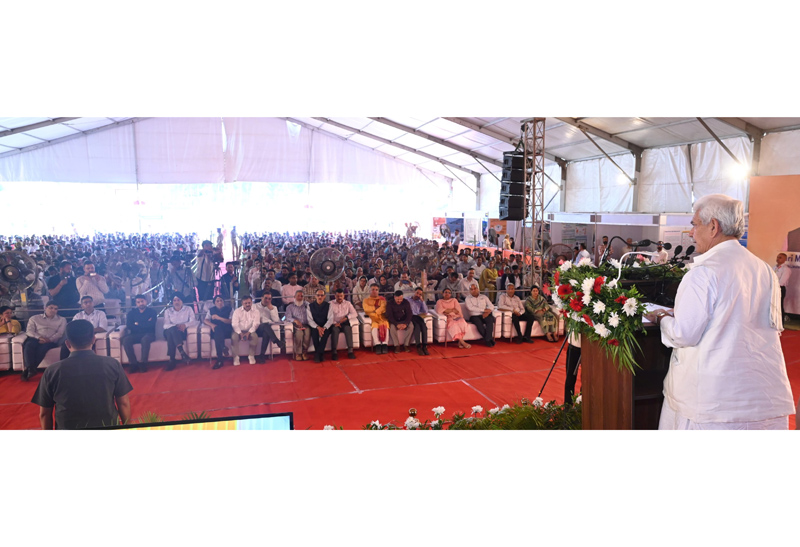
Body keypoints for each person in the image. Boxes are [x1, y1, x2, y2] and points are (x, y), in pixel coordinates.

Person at [644, 194, 795, 430]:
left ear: (713, 226)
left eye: (695, 225)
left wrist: (662, 317)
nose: (691, 233)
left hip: (712, 400)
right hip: (761, 394)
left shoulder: (704, 271)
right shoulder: (763, 268)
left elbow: (683, 334)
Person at [31, 320, 133, 429]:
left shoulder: (52, 371)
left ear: (67, 343)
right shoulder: (112, 364)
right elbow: (123, 403)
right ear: (93, 340)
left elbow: (45, 414)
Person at [21, 301, 67, 382]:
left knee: (42, 348)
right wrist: (39, 337)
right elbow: (29, 331)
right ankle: (31, 369)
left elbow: (60, 333)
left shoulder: (62, 320)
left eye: (55, 309)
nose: (53, 310)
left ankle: (28, 370)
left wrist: (49, 340)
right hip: (35, 338)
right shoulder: (34, 318)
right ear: (45, 308)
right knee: (29, 345)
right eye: (51, 308)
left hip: (51, 341)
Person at [122, 294, 157, 373]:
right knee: (126, 340)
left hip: (149, 334)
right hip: (135, 334)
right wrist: (145, 323)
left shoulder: (152, 312)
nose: (141, 303)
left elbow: (151, 325)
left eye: (142, 301)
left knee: (145, 340)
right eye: (138, 302)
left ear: (146, 301)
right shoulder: (131, 313)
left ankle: (144, 363)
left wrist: (137, 323)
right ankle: (133, 363)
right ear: (136, 303)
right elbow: (129, 325)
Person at [163, 293, 194, 371]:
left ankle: (172, 360)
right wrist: (176, 326)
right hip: (169, 331)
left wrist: (185, 325)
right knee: (172, 330)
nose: (176, 302)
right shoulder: (168, 311)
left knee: (171, 335)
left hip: (182, 332)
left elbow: (193, 321)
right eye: (174, 300)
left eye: (178, 300)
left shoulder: (188, 309)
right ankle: (182, 352)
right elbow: (166, 325)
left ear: (182, 301)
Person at [254, 292, 285, 361]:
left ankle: (262, 356)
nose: (267, 300)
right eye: (265, 298)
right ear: (262, 298)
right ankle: (277, 341)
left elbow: (276, 320)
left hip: (267, 328)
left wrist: (271, 310)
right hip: (257, 327)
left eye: (269, 299)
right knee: (265, 325)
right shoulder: (255, 306)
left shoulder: (274, 308)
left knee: (266, 331)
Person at [204, 295, 232, 370]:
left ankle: (220, 360)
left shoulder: (229, 309)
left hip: (227, 330)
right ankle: (223, 347)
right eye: (217, 301)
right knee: (217, 331)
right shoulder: (211, 310)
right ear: (214, 303)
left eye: (221, 301)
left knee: (217, 334)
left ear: (223, 302)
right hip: (216, 330)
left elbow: (230, 321)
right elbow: (205, 320)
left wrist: (218, 318)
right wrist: (211, 325)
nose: (219, 302)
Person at [231, 295, 261, 366]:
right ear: (242, 303)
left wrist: (248, 333)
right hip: (238, 330)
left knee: (254, 337)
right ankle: (236, 357)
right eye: (245, 303)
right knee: (234, 337)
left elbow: (256, 324)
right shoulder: (237, 311)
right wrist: (240, 333)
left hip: (250, 331)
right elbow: (234, 324)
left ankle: (251, 356)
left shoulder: (256, 311)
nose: (248, 304)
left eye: (249, 303)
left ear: (251, 302)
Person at [306, 288, 334, 362]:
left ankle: (318, 354)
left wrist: (324, 328)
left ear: (324, 296)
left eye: (322, 295)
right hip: (315, 326)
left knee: (325, 335)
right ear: (315, 296)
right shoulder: (310, 306)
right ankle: (320, 354)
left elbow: (330, 319)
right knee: (314, 334)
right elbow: (309, 320)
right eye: (318, 295)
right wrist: (318, 327)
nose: (320, 297)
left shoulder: (329, 305)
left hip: (326, 326)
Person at [329, 288, 357, 360]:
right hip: (334, 323)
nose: (339, 298)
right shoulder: (330, 304)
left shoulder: (348, 303)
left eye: (341, 296)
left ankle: (350, 351)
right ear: (335, 296)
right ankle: (334, 352)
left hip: (344, 322)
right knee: (335, 330)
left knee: (348, 329)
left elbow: (355, 313)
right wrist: (335, 323)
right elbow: (328, 316)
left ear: (344, 296)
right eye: (338, 296)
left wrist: (347, 317)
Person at [362, 283, 390, 354]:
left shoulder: (382, 299)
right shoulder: (366, 300)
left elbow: (383, 308)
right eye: (373, 290)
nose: (374, 291)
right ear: (369, 291)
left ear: (378, 291)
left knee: (386, 325)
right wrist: (375, 308)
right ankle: (377, 345)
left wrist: (375, 311)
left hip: (382, 318)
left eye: (376, 290)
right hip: (373, 319)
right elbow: (366, 309)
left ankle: (384, 345)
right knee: (374, 326)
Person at [284, 289, 311, 361]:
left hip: (306, 324)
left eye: (302, 296)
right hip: (296, 325)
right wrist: (295, 321)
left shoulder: (307, 305)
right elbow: (288, 317)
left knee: (307, 334)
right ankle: (298, 353)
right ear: (294, 296)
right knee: (299, 334)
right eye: (298, 296)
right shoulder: (290, 307)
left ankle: (304, 352)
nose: (300, 298)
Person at [409, 286, 430, 355]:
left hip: (417, 316)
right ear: (414, 292)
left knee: (424, 327)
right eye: (417, 293)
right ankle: (418, 347)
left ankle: (424, 346)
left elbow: (425, 311)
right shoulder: (407, 299)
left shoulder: (420, 302)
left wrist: (422, 301)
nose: (418, 295)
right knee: (417, 327)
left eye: (420, 294)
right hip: (410, 316)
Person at [774, 252, 791, 321]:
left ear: (784, 259)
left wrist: (776, 286)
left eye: (780, 257)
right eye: (777, 257)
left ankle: (781, 322)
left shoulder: (786, 269)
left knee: (779, 305)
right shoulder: (774, 267)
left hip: (780, 288)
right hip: (773, 288)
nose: (778, 259)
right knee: (773, 305)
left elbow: (782, 281)